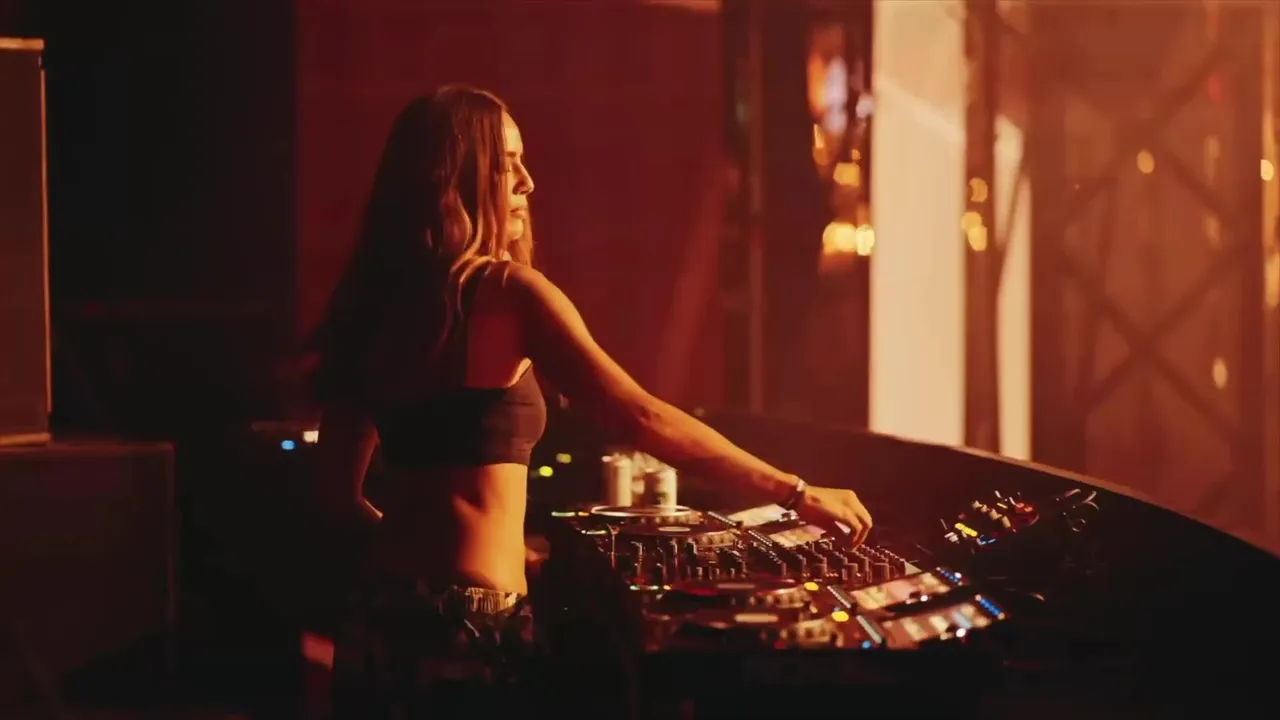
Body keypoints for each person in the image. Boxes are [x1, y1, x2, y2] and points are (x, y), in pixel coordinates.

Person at [311, 85, 873, 716]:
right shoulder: (509, 294)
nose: (527, 183)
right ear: (457, 178)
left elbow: (337, 496)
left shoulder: (372, 306)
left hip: (378, 622)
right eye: (507, 164)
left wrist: (431, 568)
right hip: (471, 630)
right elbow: (641, 417)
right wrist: (795, 492)